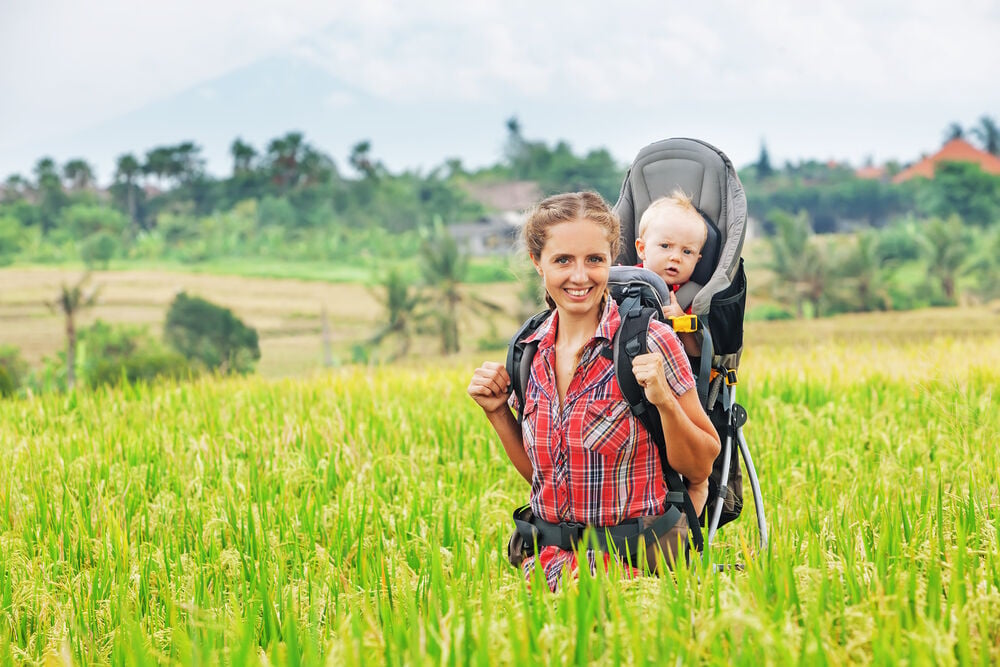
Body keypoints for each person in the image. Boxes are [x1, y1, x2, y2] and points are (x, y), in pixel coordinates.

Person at [467, 191, 720, 591]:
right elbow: (543, 478)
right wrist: (498, 412)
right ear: (538, 263)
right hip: (547, 571)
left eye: (595, 260)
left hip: (634, 573)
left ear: (612, 260)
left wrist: (664, 401)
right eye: (563, 260)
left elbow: (701, 466)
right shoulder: (528, 351)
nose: (580, 276)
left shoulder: (651, 342)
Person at [634, 190, 709, 357]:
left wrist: (680, 319)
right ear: (642, 249)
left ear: (697, 260)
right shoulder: (625, 281)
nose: (676, 257)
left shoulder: (692, 297)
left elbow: (696, 353)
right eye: (665, 246)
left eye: (687, 252)